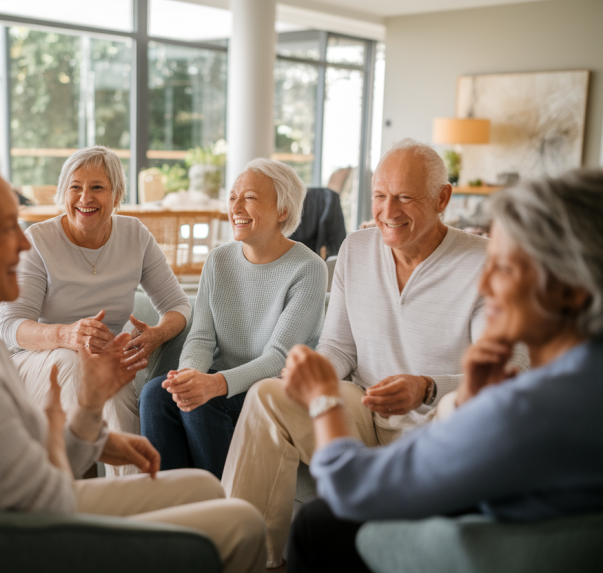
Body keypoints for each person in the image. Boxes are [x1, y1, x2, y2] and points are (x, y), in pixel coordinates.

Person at [0, 138, 266, 573]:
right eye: (3, 229)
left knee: (201, 490)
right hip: (14, 541)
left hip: (21, 511)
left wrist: (93, 423)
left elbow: (29, 461)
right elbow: (47, 505)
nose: (25, 247)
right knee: (241, 521)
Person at [221, 138, 528, 567]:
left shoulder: (484, 263)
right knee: (268, 396)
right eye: (380, 196)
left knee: (462, 405)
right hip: (363, 410)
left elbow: (509, 371)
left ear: (443, 198)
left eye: (405, 197)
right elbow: (339, 348)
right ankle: (245, 557)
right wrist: (313, 374)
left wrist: (427, 388)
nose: (388, 211)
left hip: (439, 425)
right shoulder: (355, 250)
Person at [284, 169, 603, 572]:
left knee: (318, 523)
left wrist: (324, 398)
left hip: (492, 552)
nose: (484, 284)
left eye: (503, 268)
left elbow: (351, 487)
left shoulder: (527, 408)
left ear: (573, 290)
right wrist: (471, 400)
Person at [0, 146, 191, 474]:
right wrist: (66, 334)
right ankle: (74, 494)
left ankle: (133, 499)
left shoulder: (136, 236)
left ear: (117, 196)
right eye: (75, 187)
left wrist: (156, 335)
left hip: (103, 362)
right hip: (38, 362)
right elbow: (10, 326)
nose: (85, 197)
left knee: (113, 386)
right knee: (77, 362)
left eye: (97, 187)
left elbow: (178, 306)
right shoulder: (39, 240)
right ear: (64, 193)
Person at [140, 158, 327, 480]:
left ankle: (222, 510)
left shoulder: (308, 269)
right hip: (222, 379)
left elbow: (279, 358)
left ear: (282, 211)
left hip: (271, 389)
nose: (235, 207)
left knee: (202, 403)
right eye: (232, 197)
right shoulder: (218, 259)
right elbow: (201, 337)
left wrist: (212, 384)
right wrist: (189, 378)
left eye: (250, 198)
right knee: (157, 393)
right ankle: (171, 506)